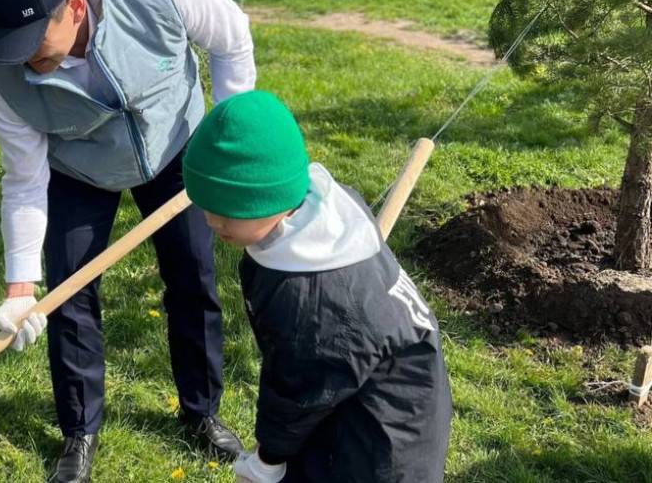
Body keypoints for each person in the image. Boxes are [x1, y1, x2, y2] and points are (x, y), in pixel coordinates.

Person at [0, 0, 257, 482]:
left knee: (193, 275)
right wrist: (19, 289)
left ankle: (201, 412)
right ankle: (80, 432)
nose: (23, 59)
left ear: (74, 6)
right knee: (70, 289)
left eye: (33, 39)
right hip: (79, 167)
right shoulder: (4, 74)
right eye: (11, 41)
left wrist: (228, 133)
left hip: (175, 142)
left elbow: (232, 36)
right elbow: (25, 181)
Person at [180, 91, 453, 483]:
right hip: (346, 391)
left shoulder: (312, 294)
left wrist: (266, 461)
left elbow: (300, 391)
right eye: (205, 207)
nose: (211, 221)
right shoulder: (313, 217)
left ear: (269, 198)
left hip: (387, 431)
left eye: (226, 212)